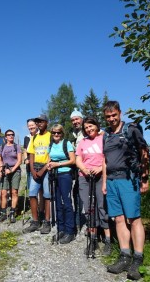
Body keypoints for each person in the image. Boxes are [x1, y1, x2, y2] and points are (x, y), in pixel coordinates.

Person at [102, 101, 150, 280]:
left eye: (114, 115)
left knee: (134, 219)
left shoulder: (130, 129)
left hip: (129, 179)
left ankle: (138, 259)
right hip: (113, 181)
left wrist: (145, 178)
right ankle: (124, 256)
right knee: (119, 219)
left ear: (119, 113)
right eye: (108, 116)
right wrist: (105, 182)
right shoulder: (106, 135)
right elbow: (105, 160)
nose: (111, 119)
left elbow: (144, 152)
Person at [76, 117, 111, 255]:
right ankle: (93, 239)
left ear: (97, 126)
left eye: (91, 126)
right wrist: (84, 169)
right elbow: (78, 159)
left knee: (102, 206)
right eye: (86, 128)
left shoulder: (103, 138)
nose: (89, 129)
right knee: (89, 208)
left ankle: (108, 239)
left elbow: (107, 157)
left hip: (100, 176)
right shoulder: (83, 142)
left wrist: (100, 169)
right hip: (85, 177)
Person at [23, 114, 52, 234]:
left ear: (46, 123)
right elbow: (31, 154)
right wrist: (33, 170)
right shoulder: (34, 138)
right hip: (35, 168)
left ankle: (47, 221)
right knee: (32, 194)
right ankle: (35, 221)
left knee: (46, 195)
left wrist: (43, 169)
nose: (39, 124)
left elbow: (52, 154)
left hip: (46, 168)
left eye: (41, 122)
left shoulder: (50, 136)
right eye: (37, 122)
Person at [47, 124, 76, 244]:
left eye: (58, 132)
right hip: (54, 175)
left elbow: (72, 160)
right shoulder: (51, 145)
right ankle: (61, 228)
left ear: (62, 133)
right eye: (54, 133)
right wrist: (49, 165)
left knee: (66, 202)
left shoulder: (67, 143)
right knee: (57, 203)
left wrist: (58, 164)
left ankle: (70, 231)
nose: (56, 135)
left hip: (65, 175)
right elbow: (49, 159)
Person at [67, 108, 86, 238]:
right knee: (76, 194)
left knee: (89, 197)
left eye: (77, 119)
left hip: (88, 167)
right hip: (75, 170)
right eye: (73, 120)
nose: (75, 122)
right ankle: (78, 221)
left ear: (81, 119)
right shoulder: (71, 134)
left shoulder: (87, 131)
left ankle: (92, 225)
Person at [0, 129, 22, 223]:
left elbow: (19, 160)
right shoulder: (2, 146)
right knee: (3, 192)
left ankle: (12, 212)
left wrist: (11, 170)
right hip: (5, 170)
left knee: (14, 192)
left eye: (12, 135)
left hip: (15, 170)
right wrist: (1, 169)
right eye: (9, 135)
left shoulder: (17, 146)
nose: (11, 136)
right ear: (5, 136)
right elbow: (0, 159)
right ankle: (3, 213)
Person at [23, 118, 44, 218]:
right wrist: (25, 159)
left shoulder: (41, 135)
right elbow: (25, 151)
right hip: (30, 167)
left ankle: (41, 210)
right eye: (29, 126)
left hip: (40, 166)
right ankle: (35, 212)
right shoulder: (26, 138)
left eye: (32, 125)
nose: (31, 127)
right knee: (32, 191)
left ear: (36, 125)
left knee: (42, 190)